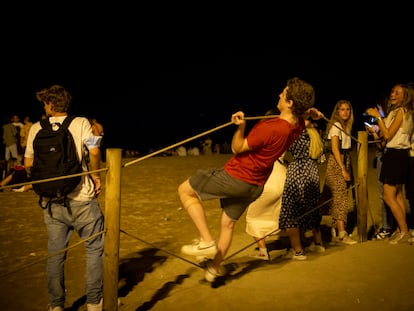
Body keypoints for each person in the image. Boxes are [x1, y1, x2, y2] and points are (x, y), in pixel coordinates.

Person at [178, 77, 323, 282]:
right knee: (227, 225)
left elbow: (237, 148)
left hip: (237, 176)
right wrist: (310, 112)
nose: (279, 95)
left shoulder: (271, 127)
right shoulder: (297, 127)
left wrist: (240, 126)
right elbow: (302, 118)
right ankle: (214, 268)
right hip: (254, 186)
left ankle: (206, 242)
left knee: (185, 190)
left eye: (284, 93)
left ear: (290, 103)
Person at [24, 85, 104, 311]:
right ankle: (94, 303)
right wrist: (96, 176)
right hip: (82, 197)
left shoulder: (36, 127)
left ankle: (56, 305)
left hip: (51, 201)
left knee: (56, 255)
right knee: (94, 248)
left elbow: (29, 163)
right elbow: (95, 151)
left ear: (50, 105)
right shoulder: (81, 123)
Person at [366, 83, 414, 244]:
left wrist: (377, 117)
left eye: (397, 93)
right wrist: (373, 124)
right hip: (398, 155)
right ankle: (402, 230)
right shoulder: (398, 112)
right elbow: (382, 133)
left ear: (405, 96)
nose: (393, 94)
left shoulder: (401, 111)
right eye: (392, 91)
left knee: (388, 196)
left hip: (396, 155)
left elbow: (387, 134)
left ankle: (405, 231)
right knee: (397, 194)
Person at [279, 121, 326, 260]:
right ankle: (318, 243)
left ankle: (297, 251)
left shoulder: (296, 133)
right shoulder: (314, 134)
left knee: (291, 211)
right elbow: (321, 158)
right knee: (312, 207)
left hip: (297, 170)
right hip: (312, 170)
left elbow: (283, 153)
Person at [322, 99, 357, 245]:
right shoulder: (336, 126)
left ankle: (335, 230)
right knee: (340, 197)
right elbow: (335, 148)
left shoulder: (346, 126)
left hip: (344, 160)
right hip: (337, 163)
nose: (345, 112)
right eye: (342, 109)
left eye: (348, 109)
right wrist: (343, 168)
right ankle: (342, 234)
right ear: (337, 111)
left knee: (339, 196)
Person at [365, 103, 396, 239]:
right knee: (394, 195)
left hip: (385, 158)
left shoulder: (385, 122)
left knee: (386, 194)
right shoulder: (386, 121)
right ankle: (393, 226)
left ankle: (387, 227)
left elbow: (382, 145)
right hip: (389, 156)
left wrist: (374, 134)